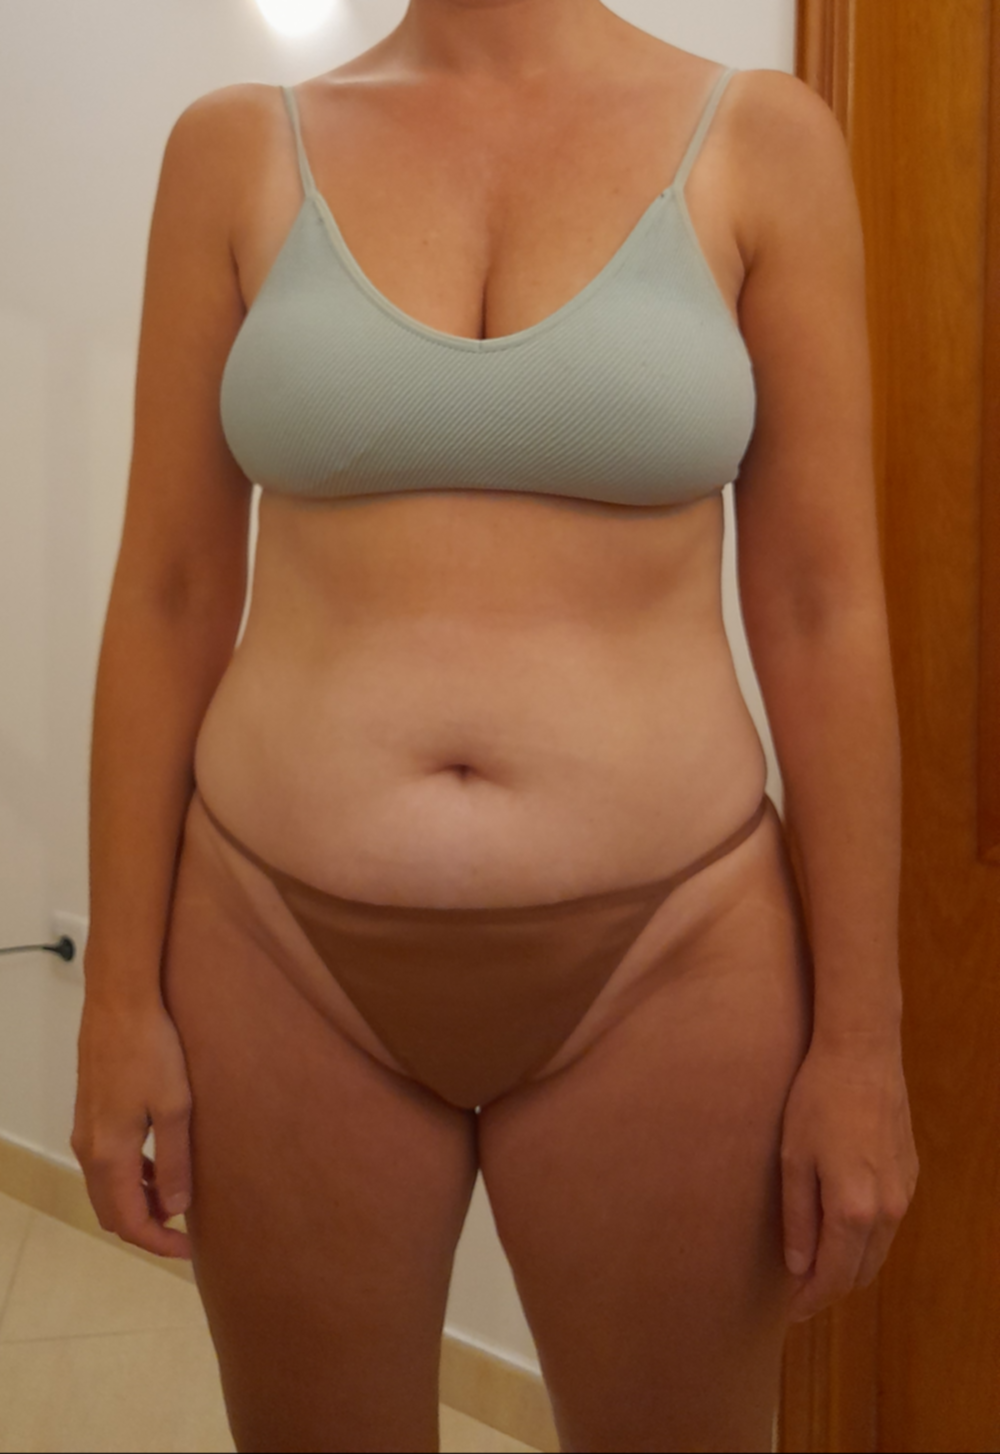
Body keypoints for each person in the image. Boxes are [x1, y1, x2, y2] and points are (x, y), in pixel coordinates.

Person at [71, 1, 919, 1449]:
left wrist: (862, 1038)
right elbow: (166, 595)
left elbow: (823, 607)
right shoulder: (235, 152)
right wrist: (115, 996)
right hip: (273, 950)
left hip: (675, 954)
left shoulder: (763, 144)